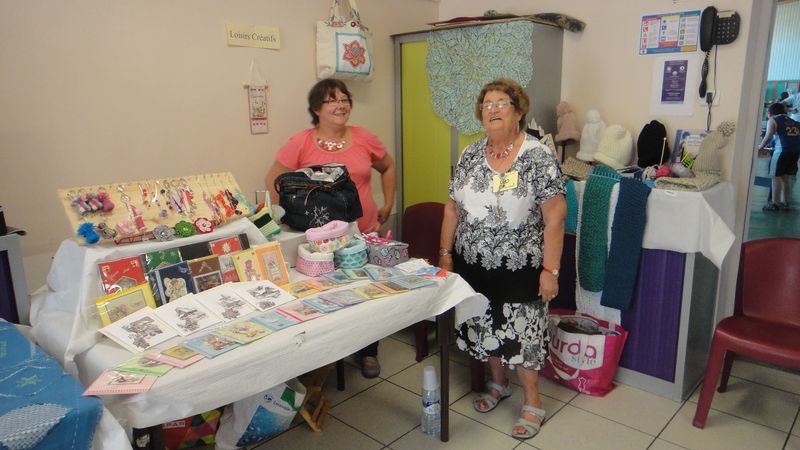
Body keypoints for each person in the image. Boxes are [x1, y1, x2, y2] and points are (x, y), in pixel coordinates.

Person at [438, 79, 566, 440]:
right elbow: (452, 208)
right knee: (485, 327)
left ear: (519, 111)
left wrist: (550, 270)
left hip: (520, 266)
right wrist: (445, 256)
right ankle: (498, 384)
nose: (492, 110)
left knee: (523, 335)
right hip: (473, 264)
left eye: (501, 103)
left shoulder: (537, 156)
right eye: (486, 105)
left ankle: (533, 402)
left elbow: (555, 217)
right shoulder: (469, 154)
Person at [265, 79, 396, 378]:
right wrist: (284, 218)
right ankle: (326, 356)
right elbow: (273, 179)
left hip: (361, 233)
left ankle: (369, 351)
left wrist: (388, 202)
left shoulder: (365, 138)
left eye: (344, 99)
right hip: (318, 242)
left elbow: (388, 166)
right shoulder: (301, 142)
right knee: (325, 298)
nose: (341, 105)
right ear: (316, 108)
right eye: (332, 100)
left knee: (367, 293)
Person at [757, 102, 800, 211]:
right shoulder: (793, 121)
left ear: (770, 112)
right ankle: (786, 203)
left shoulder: (773, 120)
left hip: (781, 152)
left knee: (776, 177)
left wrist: (760, 147)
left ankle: (775, 203)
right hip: (795, 152)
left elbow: (768, 136)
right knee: (786, 178)